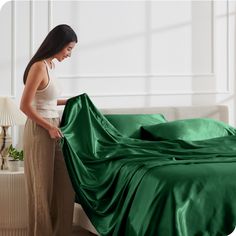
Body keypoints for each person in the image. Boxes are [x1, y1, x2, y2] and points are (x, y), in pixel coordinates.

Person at [20, 24, 77, 236]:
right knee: (42, 190)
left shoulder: (50, 66)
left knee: (64, 185)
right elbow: (25, 106)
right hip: (40, 129)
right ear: (59, 44)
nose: (69, 54)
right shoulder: (38, 67)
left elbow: (48, 99)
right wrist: (48, 127)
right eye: (69, 48)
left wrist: (72, 101)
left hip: (54, 125)